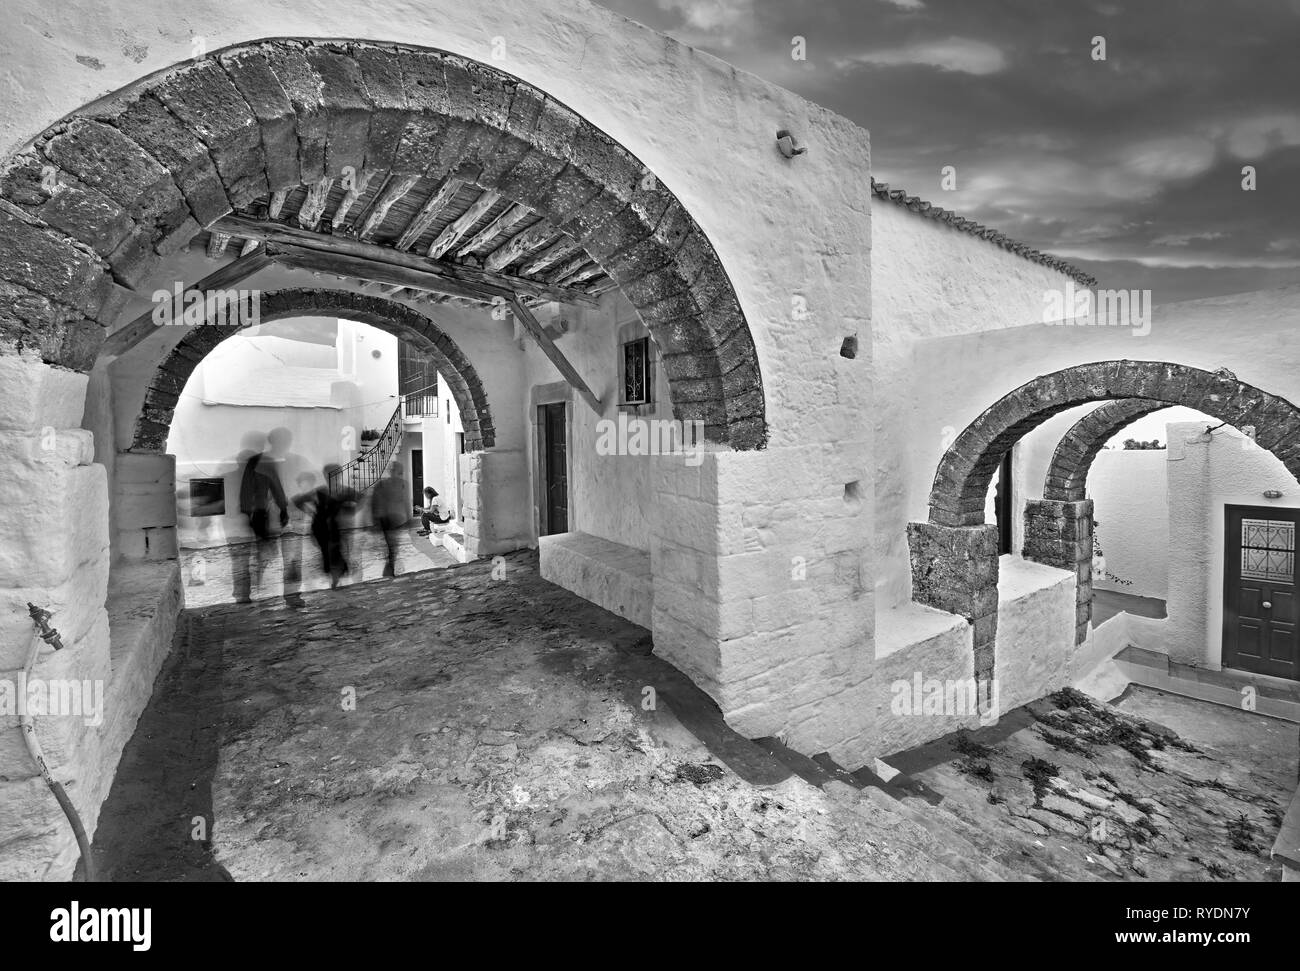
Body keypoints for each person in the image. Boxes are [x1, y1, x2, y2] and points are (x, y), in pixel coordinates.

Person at [233, 442, 290, 603]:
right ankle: (259, 586)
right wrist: (283, 508)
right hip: (261, 512)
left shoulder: (254, 464)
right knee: (265, 549)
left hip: (257, 513)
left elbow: (246, 488)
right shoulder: (264, 464)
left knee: (260, 549)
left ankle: (252, 589)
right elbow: (276, 487)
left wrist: (246, 511)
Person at [294, 464, 357, 589]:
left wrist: (350, 511)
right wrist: (311, 512)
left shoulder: (341, 491)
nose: (332, 477)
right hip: (322, 527)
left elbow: (361, 498)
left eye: (334, 474)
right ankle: (335, 578)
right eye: (329, 474)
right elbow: (298, 500)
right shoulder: (323, 491)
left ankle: (335, 578)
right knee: (330, 551)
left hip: (331, 526)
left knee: (332, 550)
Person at [370, 463, 410, 578]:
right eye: (392, 470)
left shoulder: (402, 484)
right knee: (391, 546)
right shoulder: (381, 484)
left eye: (396, 470)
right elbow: (374, 502)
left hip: (395, 519)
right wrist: (375, 520)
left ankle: (389, 568)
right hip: (385, 519)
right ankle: (389, 570)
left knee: (392, 546)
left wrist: (408, 517)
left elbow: (405, 501)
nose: (394, 472)